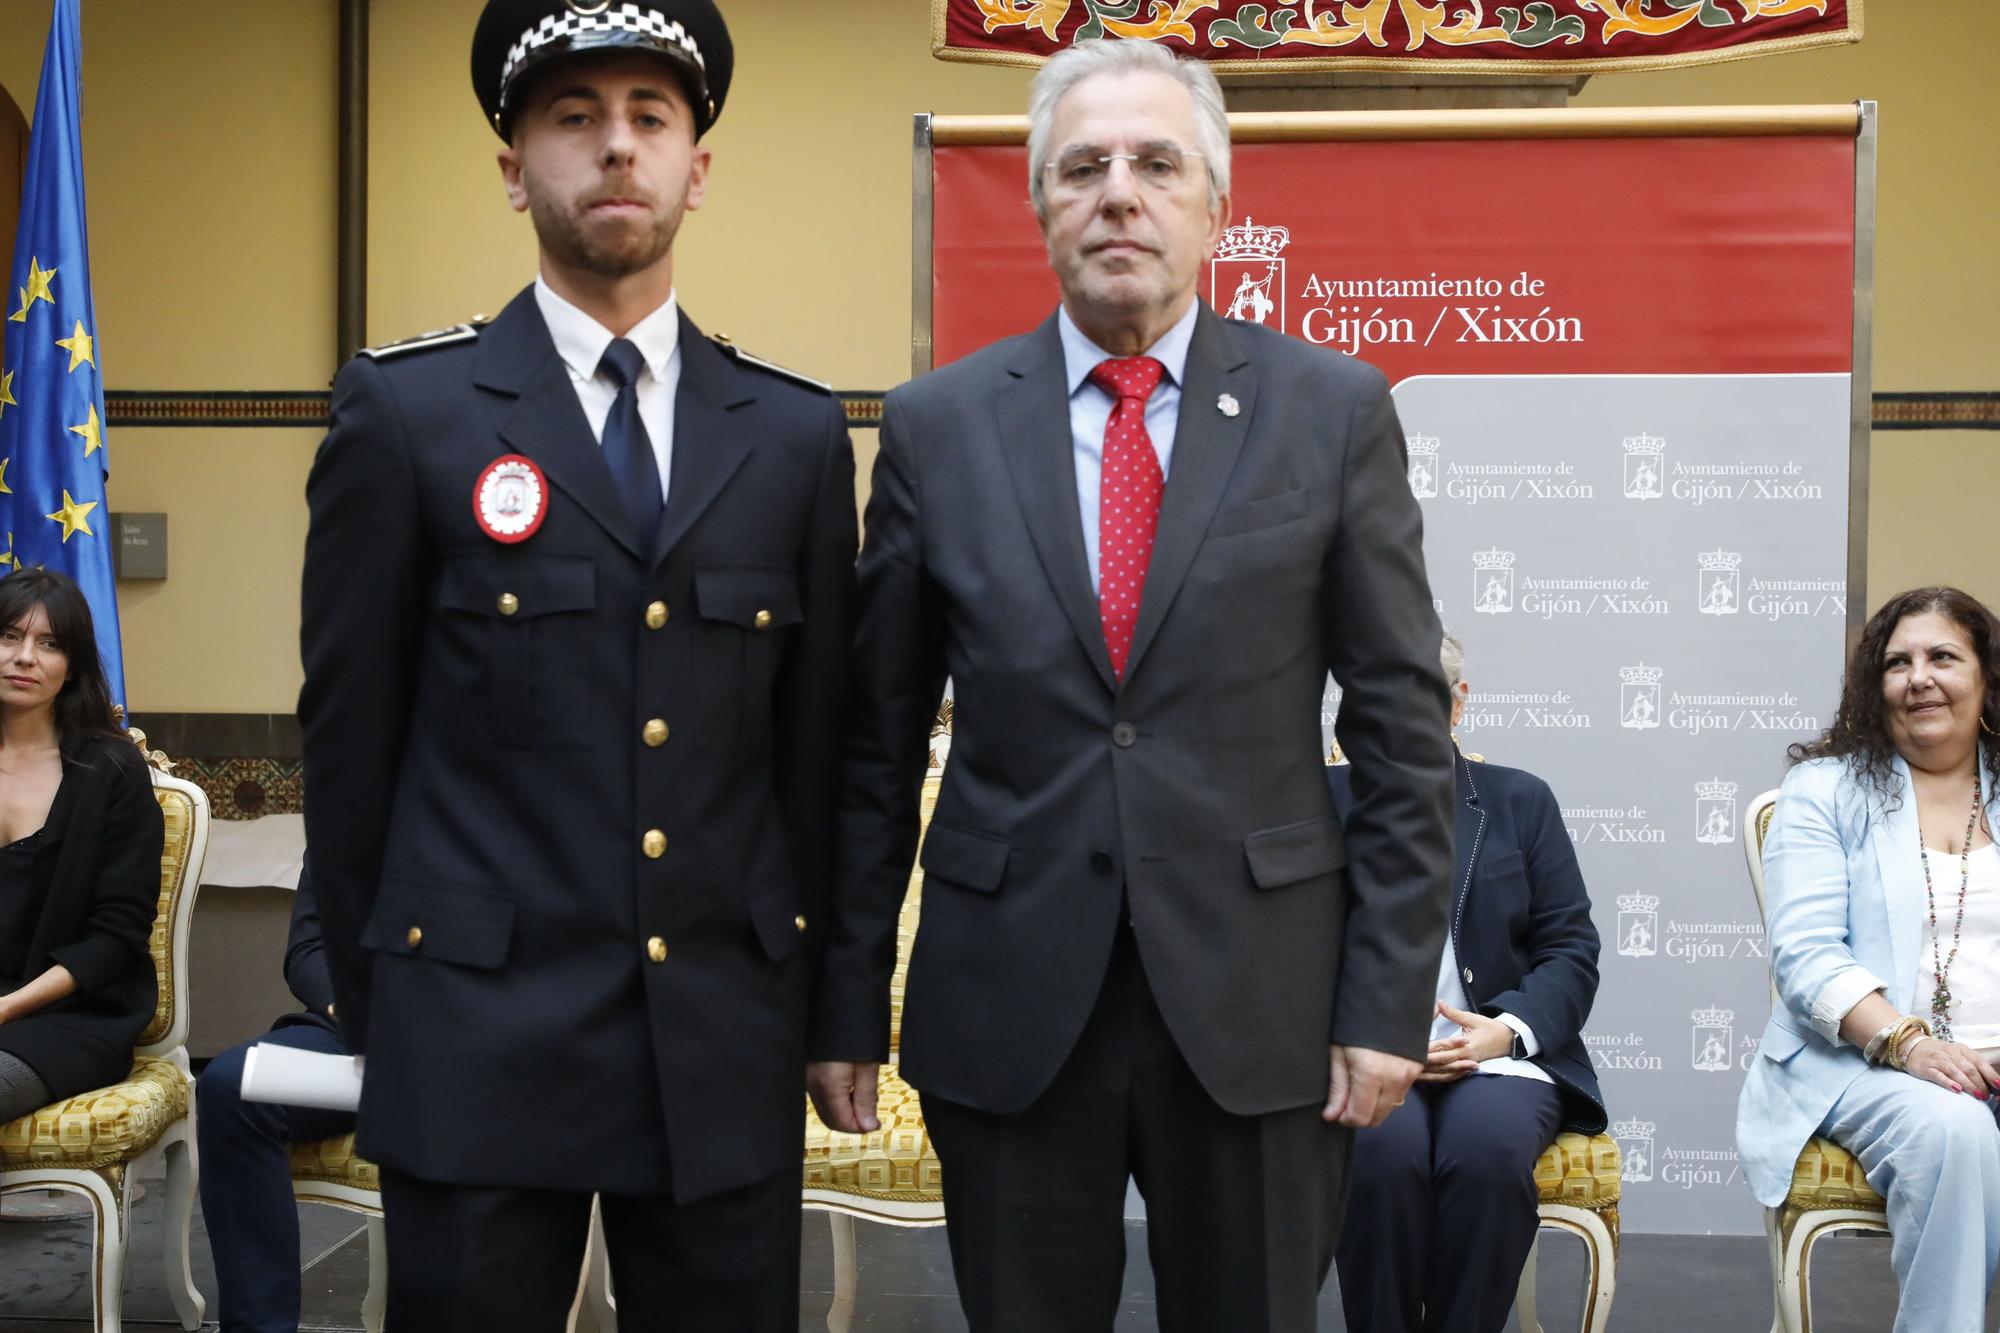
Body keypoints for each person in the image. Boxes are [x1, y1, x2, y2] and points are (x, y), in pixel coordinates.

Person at [809, 39, 1454, 1333]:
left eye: (1158, 164)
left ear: (1218, 206)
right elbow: (872, 750)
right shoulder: (935, 427)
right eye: (1083, 167)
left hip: (1262, 1006)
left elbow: (1401, 736)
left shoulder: (1330, 412)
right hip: (1009, 999)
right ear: (1040, 204)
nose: (1120, 193)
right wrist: (842, 1006)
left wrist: (1386, 1004)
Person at [297, 3, 855, 1327]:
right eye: (573, 117)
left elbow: (820, 756)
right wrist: (387, 1002)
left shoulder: (788, 433)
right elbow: (351, 739)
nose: (616, 147)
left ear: (697, 170)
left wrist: (831, 1006)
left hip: (718, 1031)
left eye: (650, 118)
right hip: (477, 1030)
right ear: (512, 170)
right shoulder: (408, 411)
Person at [1739, 586, 2000, 1333]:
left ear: (1985, 678)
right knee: (1956, 1128)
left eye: (1943, 656)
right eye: (1898, 662)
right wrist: (1908, 1042)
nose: (1919, 676)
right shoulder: (1825, 790)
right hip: (1864, 1064)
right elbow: (1807, 955)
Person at [1328, 631, 1603, 1333]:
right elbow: (1279, 951)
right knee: (1380, 1156)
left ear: (1457, 704)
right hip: (1365, 1055)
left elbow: (1570, 947)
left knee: (1486, 1153)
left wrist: (1504, 1033)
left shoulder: (1520, 800)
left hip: (1498, 1058)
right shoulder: (1315, 800)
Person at [0, 568, 162, 1123]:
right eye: (8, 636)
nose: (24, 657)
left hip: (70, 1017)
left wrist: (6, 1008)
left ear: (72, 667)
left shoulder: (112, 771)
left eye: (49, 644)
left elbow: (114, 939)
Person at [194, 865, 355, 1333]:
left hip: (467, 1052)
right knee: (234, 1085)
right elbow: (309, 948)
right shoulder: (355, 804)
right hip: (359, 1048)